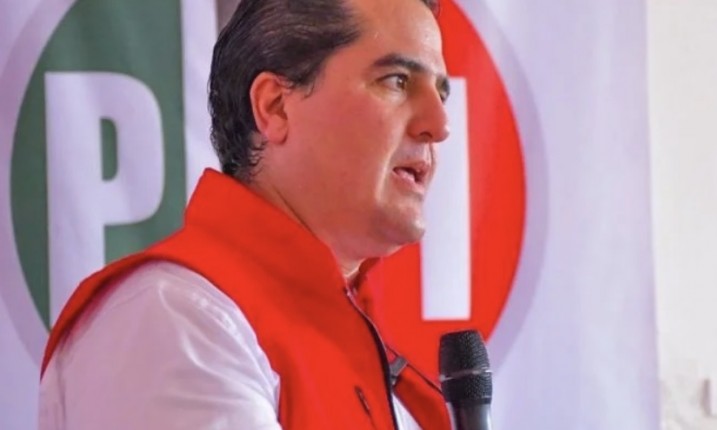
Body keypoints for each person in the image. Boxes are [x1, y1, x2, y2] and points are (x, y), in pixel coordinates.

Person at [38, 0, 452, 428]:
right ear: (275, 107)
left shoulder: (356, 338)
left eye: (441, 93)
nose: (440, 125)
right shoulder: (176, 317)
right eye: (396, 81)